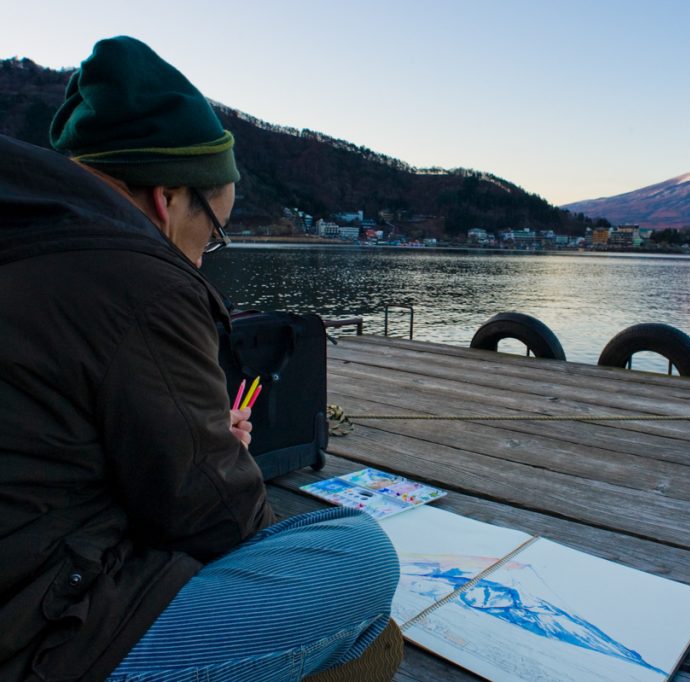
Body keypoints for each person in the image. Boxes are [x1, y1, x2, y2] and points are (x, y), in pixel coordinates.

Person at [0, 36, 400, 681]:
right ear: (166, 199)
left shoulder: (28, 235)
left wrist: (195, 435)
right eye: (211, 236)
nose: (199, 258)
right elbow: (214, 519)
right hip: (40, 640)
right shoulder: (139, 279)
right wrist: (217, 456)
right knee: (357, 556)